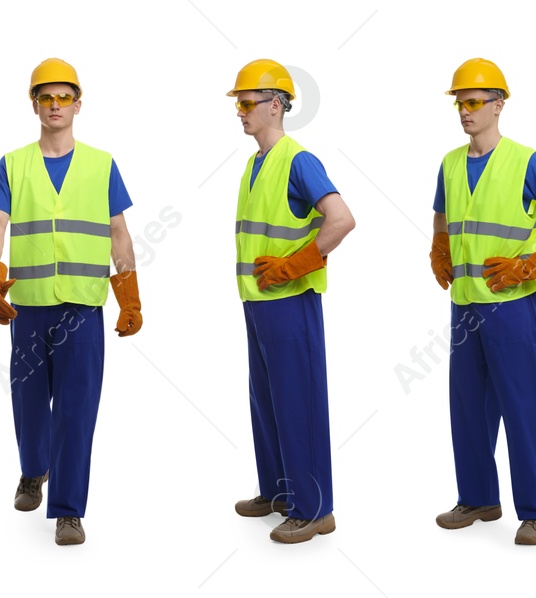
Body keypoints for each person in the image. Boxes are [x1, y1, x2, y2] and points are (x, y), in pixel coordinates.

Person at [0, 58, 143, 546]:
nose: (54, 105)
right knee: (28, 402)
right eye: (45, 97)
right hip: (26, 305)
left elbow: (118, 232)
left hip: (83, 307)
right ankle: (34, 471)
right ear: (34, 104)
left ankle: (68, 509)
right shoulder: (11, 164)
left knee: (76, 409)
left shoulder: (102, 164)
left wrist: (129, 294)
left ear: (78, 104)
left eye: (63, 97)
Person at [429, 58, 536, 546]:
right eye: (460, 102)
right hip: (466, 306)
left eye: (475, 101)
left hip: (514, 307)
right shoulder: (451, 163)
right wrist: (438, 249)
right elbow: (442, 218)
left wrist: (532, 264)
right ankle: (479, 498)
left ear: (499, 105)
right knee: (468, 410)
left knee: (526, 408)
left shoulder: (525, 161)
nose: (465, 111)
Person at [225, 59, 356, 544]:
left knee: (296, 400)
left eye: (246, 103)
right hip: (257, 302)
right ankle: (279, 492)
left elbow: (341, 219)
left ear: (275, 105)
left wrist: (294, 265)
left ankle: (314, 508)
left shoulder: (298, 160)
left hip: (289, 302)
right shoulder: (254, 163)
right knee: (266, 399)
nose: (239, 112)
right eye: (238, 103)